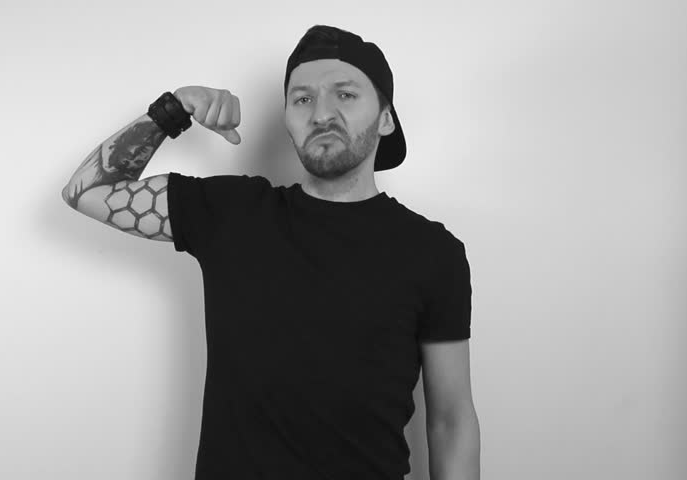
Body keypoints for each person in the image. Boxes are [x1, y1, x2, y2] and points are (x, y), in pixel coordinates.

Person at [61, 24, 479, 480]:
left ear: (385, 118)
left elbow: (451, 420)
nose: (321, 114)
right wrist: (172, 110)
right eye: (302, 99)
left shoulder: (433, 252)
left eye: (345, 94)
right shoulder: (231, 213)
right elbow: (86, 192)